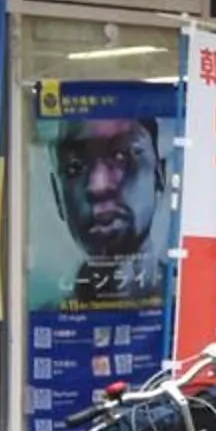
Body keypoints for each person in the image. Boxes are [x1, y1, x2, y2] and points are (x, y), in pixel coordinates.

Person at [50, 116, 168, 307]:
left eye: (121, 156)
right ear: (58, 194)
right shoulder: (47, 319)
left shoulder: (195, 310)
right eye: (74, 168)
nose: (98, 186)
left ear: (159, 175)